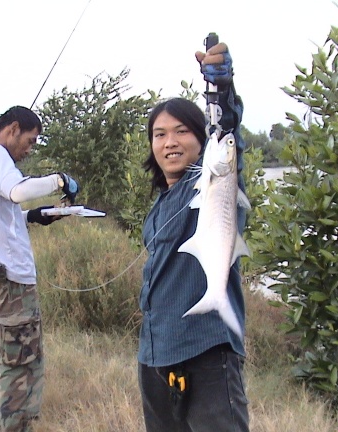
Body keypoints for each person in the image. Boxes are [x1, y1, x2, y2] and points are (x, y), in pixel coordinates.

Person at [137, 40, 250, 431]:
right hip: (155, 356)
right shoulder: (159, 206)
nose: (169, 142)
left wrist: (219, 89)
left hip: (205, 352)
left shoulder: (209, 181)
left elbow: (228, 130)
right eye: (159, 134)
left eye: (182, 131)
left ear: (202, 139)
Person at [0, 105, 78, 432]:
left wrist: (35, 216)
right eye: (30, 140)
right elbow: (17, 191)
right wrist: (60, 180)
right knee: (21, 367)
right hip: (13, 284)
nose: (29, 149)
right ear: (12, 129)